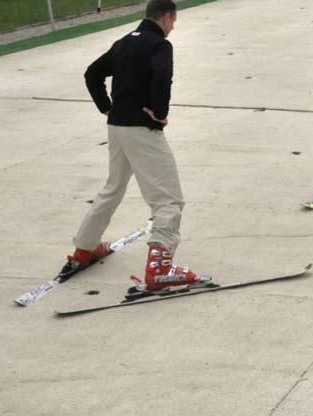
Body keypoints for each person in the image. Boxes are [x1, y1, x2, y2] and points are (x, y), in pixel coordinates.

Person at [65, 0, 209, 291]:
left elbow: (92, 73)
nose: (173, 27)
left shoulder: (123, 42)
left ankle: (84, 249)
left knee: (113, 187)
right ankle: (159, 269)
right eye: (173, 21)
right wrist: (159, 113)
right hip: (141, 130)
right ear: (166, 18)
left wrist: (107, 108)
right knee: (168, 199)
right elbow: (162, 78)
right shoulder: (159, 45)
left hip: (117, 127)